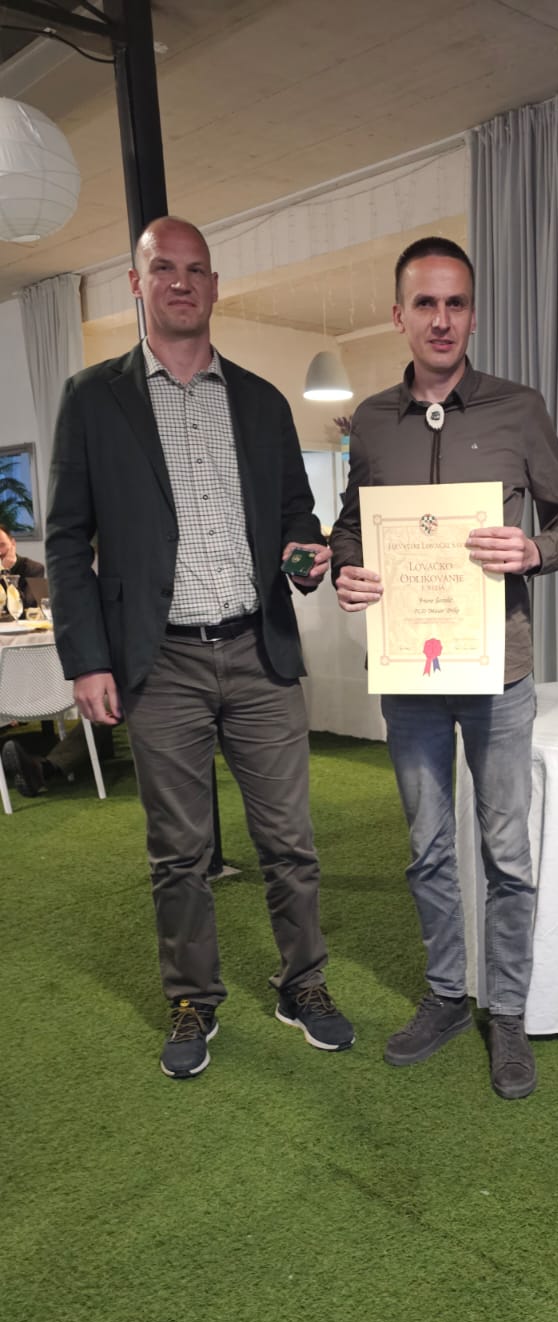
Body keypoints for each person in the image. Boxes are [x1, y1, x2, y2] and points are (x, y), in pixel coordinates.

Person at [46, 215, 354, 1078]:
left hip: (258, 650)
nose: (181, 282)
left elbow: (296, 513)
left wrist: (305, 552)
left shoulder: (260, 400)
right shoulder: (92, 399)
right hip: (161, 661)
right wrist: (86, 658)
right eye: (164, 269)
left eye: (196, 269)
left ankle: (303, 983)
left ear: (215, 286)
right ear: (137, 285)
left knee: (290, 841)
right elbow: (66, 540)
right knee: (178, 852)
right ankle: (192, 996)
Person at [330, 237, 558, 1099]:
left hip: (499, 673)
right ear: (398, 315)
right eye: (425, 304)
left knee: (506, 850)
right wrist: (347, 569)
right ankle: (448, 994)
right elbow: (349, 528)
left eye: (456, 303)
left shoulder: (519, 409)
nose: (441, 320)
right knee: (426, 846)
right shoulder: (372, 421)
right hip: (409, 674)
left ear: (472, 315)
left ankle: (506, 1011)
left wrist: (533, 550)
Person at [0, 526, 45, 607]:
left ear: (13, 543)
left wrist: (5, 571)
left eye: (2, 545)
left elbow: (27, 603)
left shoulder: (34, 568)